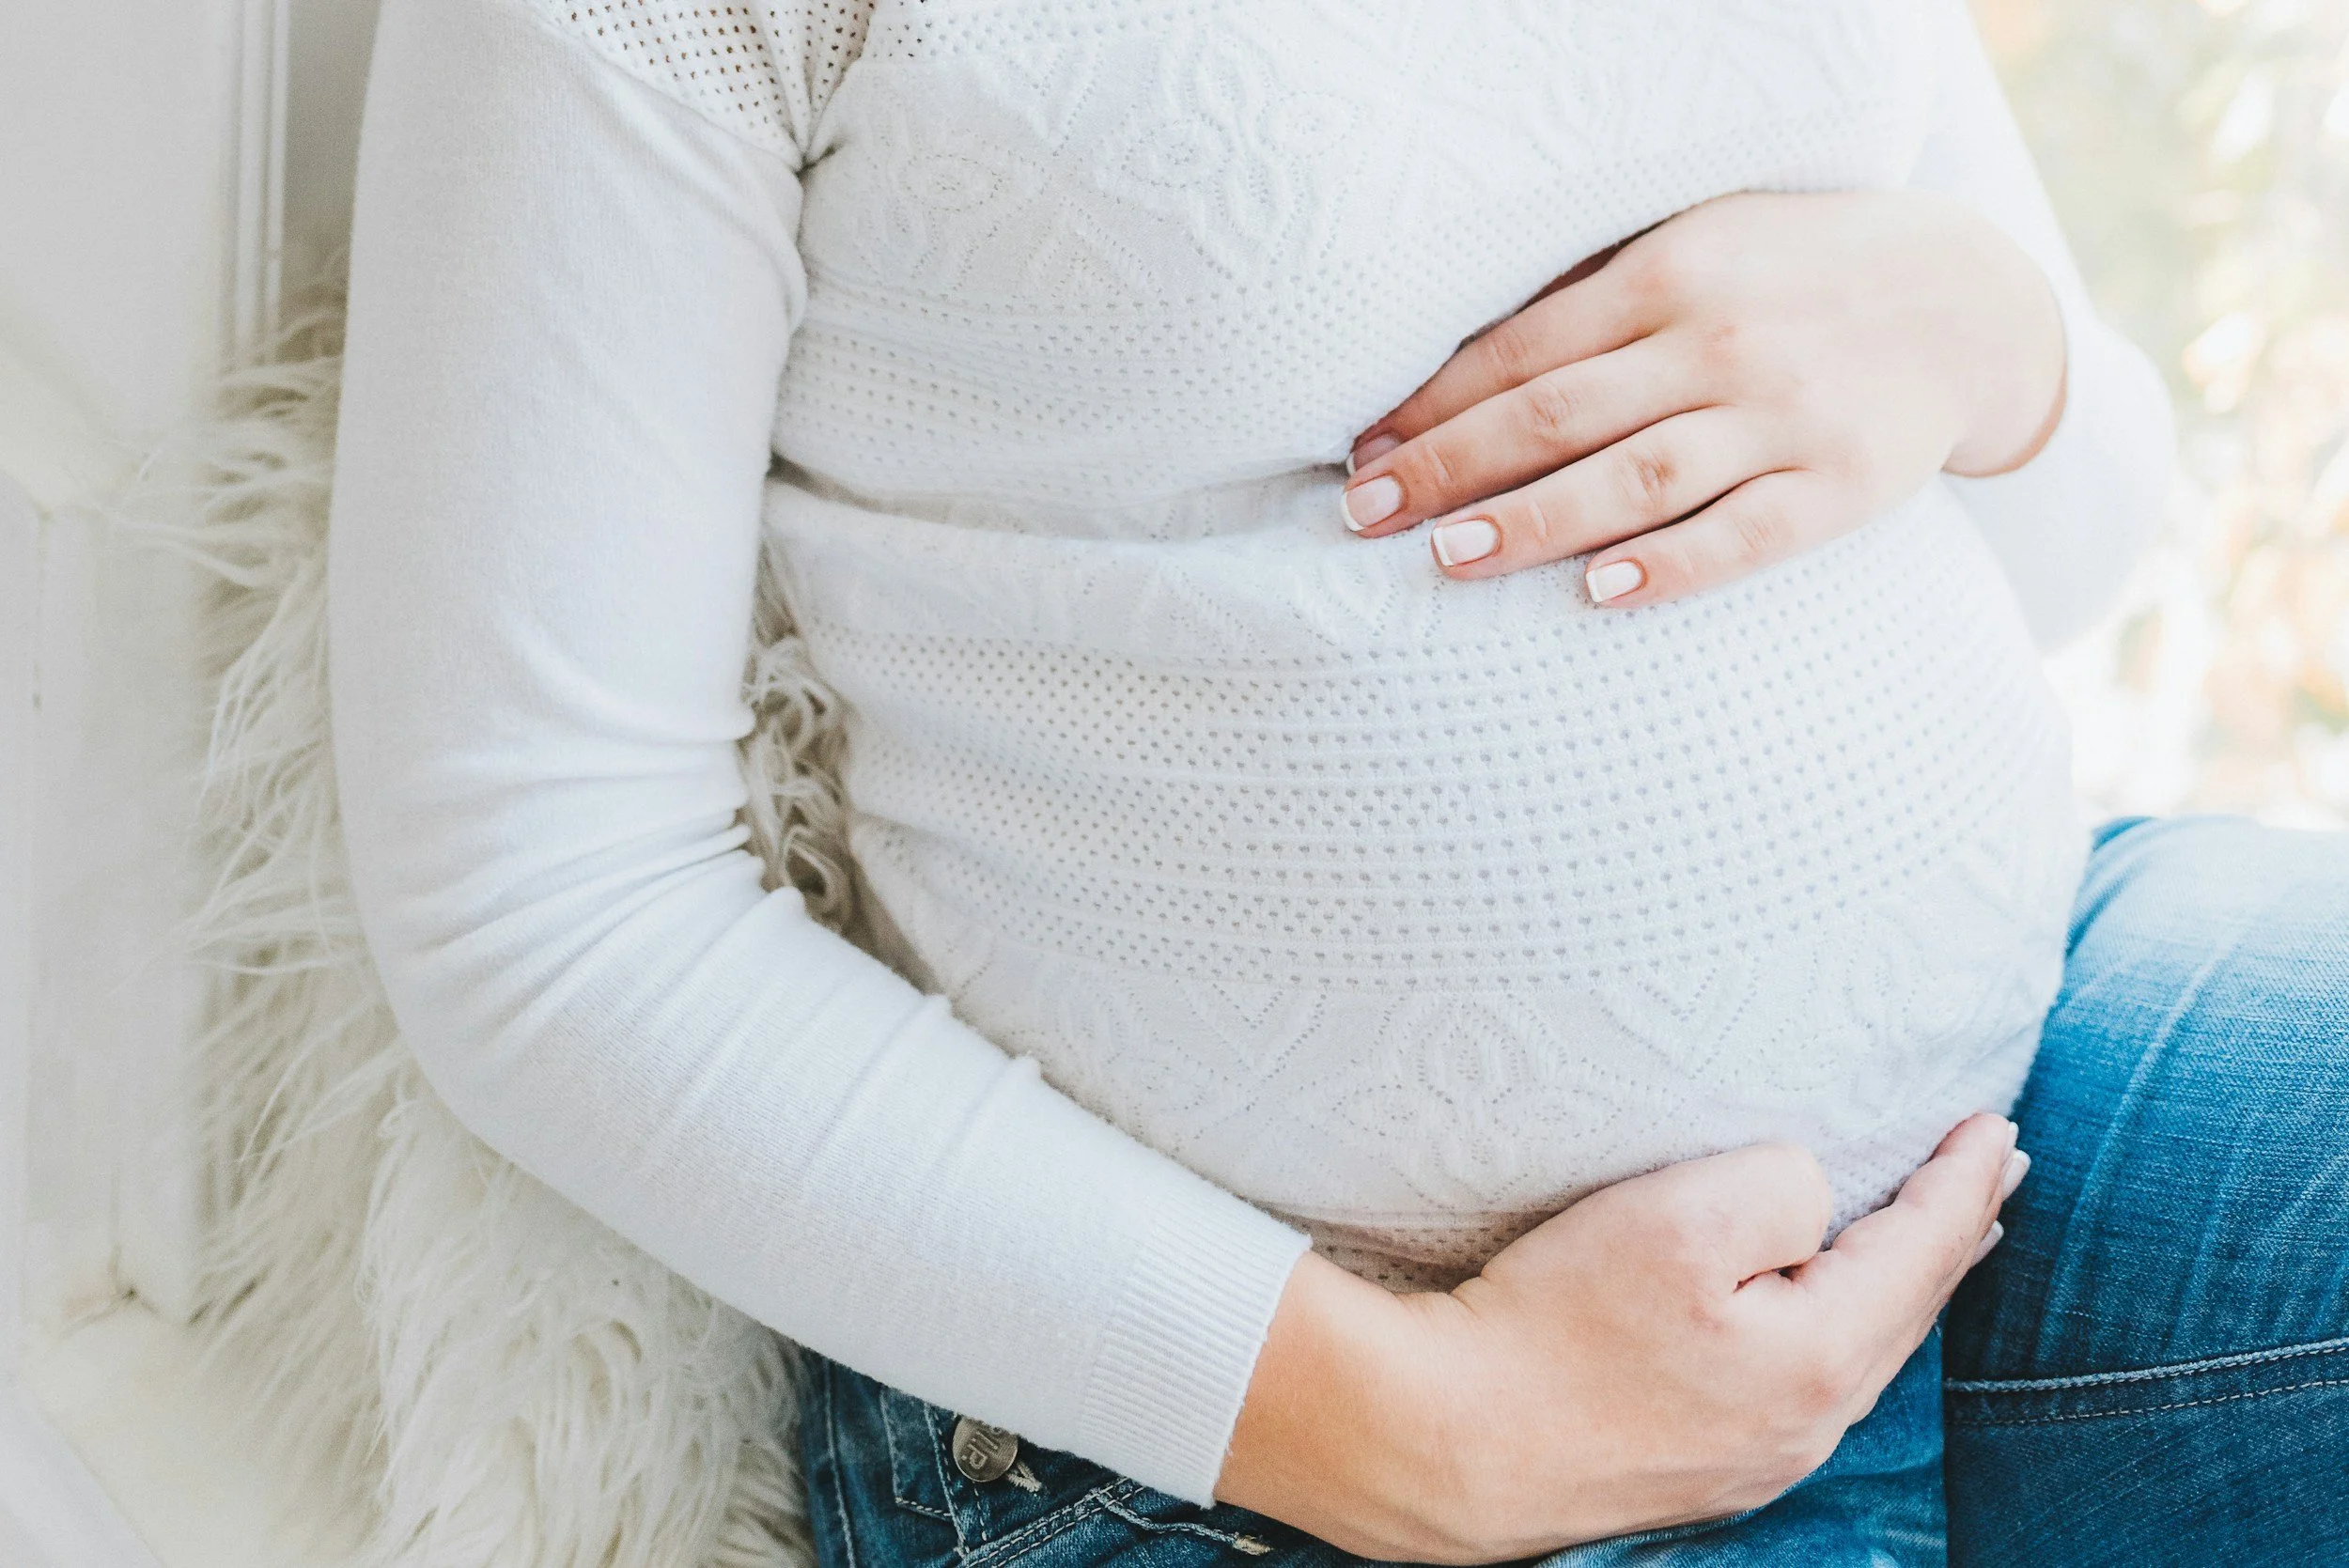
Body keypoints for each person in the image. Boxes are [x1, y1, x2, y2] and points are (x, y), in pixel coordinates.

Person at [324, 0, 2348, 1560]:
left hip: (2001, 1133)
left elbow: (2062, 547)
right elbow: (541, 902)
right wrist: (1422, 1429)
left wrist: (1993, 340)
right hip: (1262, 1429)